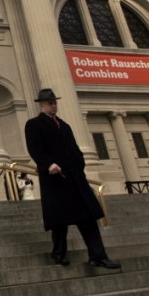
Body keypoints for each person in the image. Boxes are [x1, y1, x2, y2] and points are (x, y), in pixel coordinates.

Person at [24, 88, 120, 269]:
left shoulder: (65, 125)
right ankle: (59, 254)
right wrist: (48, 164)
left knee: (88, 218)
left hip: (75, 178)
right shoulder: (34, 124)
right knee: (60, 220)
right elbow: (35, 148)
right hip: (55, 179)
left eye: (55, 102)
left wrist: (79, 165)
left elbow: (75, 149)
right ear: (42, 105)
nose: (54, 105)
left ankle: (98, 256)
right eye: (50, 103)